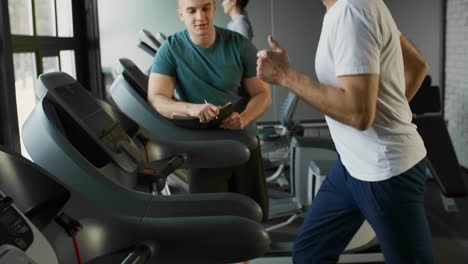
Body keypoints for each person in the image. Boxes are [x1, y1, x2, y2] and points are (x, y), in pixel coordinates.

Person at [256, 0, 433, 263]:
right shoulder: (349, 8)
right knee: (309, 254)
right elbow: (417, 66)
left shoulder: (352, 11)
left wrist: (284, 76)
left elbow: (358, 114)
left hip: (386, 172)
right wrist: (387, 112)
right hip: (351, 167)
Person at [148, 0, 271, 223]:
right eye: (192, 11)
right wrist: (192, 109)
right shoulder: (171, 49)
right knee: (210, 224)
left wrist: (243, 119)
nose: (200, 17)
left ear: (214, 9)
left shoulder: (240, 45)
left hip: (242, 138)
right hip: (202, 146)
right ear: (181, 15)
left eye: (205, 8)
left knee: (250, 220)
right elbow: (157, 98)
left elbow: (262, 94)